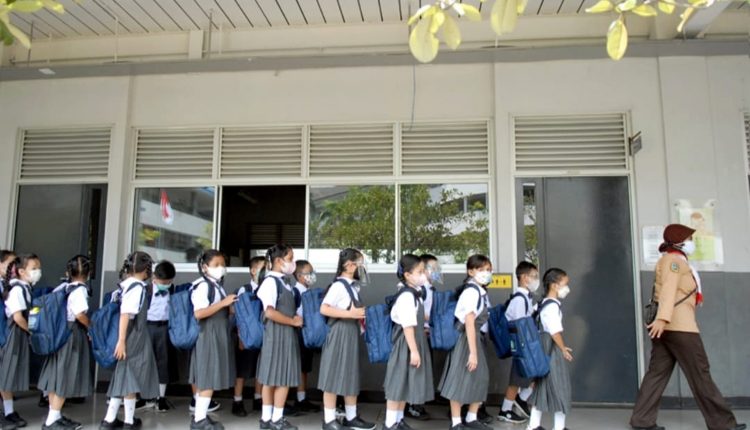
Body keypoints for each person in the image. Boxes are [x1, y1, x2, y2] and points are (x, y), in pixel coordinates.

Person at [630, 224, 747, 430]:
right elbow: (668, 290)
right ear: (679, 240)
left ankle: (642, 420)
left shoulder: (675, 260)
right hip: (679, 327)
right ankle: (722, 424)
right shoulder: (673, 262)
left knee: (657, 373)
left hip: (667, 328)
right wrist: (663, 319)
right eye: (690, 239)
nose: (692, 243)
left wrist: (662, 321)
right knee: (700, 374)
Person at [100, 252, 159, 430]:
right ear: (147, 268)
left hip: (129, 336)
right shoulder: (137, 288)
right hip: (134, 337)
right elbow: (126, 314)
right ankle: (129, 421)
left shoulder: (125, 286)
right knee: (132, 378)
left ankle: (109, 420)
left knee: (123, 376)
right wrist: (122, 340)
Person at [318, 249, 376, 430]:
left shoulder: (352, 286)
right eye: (360, 263)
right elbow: (324, 309)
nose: (362, 267)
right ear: (350, 265)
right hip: (339, 333)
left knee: (351, 374)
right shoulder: (338, 286)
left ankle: (351, 417)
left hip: (350, 334)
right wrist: (350, 314)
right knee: (333, 375)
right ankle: (329, 421)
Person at [438, 254, 493, 430]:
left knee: (480, 378)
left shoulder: (479, 291)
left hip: (473, 337)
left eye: (488, 270)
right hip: (466, 339)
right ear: (470, 271)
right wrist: (473, 352)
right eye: (481, 269)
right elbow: (469, 322)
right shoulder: (471, 292)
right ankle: (456, 422)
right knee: (459, 379)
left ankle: (471, 417)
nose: (486, 273)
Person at [38, 255, 93, 430]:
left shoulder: (64, 287)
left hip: (58, 334)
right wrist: (91, 327)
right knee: (65, 375)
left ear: (68, 272)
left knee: (57, 375)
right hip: (71, 334)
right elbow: (79, 314)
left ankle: (54, 415)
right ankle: (52, 420)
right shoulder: (80, 290)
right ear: (88, 273)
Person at [383, 254, 434, 430]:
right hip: (406, 345)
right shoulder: (406, 296)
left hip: (413, 343)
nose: (424, 274)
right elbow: (407, 326)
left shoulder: (414, 294)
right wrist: (414, 350)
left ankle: (398, 420)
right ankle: (390, 424)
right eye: (419, 271)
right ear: (407, 274)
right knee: (398, 383)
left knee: (405, 383)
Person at [256, 244, 303, 430]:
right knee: (280, 378)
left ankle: (268, 419)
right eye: (290, 259)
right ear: (278, 261)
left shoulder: (284, 282)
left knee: (273, 378)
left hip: (281, 334)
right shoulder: (271, 282)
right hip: (278, 333)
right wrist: (292, 322)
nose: (292, 263)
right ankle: (275, 419)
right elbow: (269, 312)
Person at [189, 250, 236, 430]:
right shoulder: (203, 286)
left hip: (216, 334)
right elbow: (199, 313)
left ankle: (200, 416)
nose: (221, 268)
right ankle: (199, 420)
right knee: (208, 377)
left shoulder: (216, 285)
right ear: (205, 267)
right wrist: (223, 304)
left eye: (223, 264)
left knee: (207, 377)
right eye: (216, 265)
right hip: (209, 335)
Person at [526, 268, 573, 430]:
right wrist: (563, 349)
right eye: (565, 284)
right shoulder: (552, 307)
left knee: (541, 388)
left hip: (541, 349)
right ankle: (559, 427)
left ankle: (533, 425)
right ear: (554, 285)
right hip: (551, 350)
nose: (567, 288)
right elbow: (554, 331)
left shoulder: (541, 304)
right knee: (561, 388)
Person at [0, 254, 41, 429]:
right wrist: (31, 331)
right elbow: (17, 317)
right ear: (21, 271)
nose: (37, 272)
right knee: (4, 376)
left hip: (17, 336)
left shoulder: (25, 288)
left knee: (7, 377)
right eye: (34, 268)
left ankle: (9, 412)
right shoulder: (17, 289)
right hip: (11, 336)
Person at [498, 261, 539, 424]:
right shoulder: (520, 299)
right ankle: (506, 410)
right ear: (523, 277)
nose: (536, 280)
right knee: (516, 379)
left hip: (523, 345)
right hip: (522, 345)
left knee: (527, 376)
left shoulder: (524, 298)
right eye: (534, 276)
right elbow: (521, 325)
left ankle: (520, 400)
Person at [404, 254, 442, 421]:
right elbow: (421, 314)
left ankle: (416, 404)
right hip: (420, 335)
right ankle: (412, 405)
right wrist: (433, 321)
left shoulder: (428, 288)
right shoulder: (422, 289)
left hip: (425, 334)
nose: (436, 271)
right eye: (432, 268)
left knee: (422, 371)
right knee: (415, 371)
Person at [232, 256, 267, 417]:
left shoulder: (268, 288)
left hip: (264, 335)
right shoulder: (244, 290)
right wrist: (241, 337)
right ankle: (237, 400)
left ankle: (258, 398)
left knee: (261, 368)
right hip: (247, 336)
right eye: (262, 268)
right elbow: (238, 314)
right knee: (243, 370)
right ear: (253, 271)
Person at [145, 260, 176, 412]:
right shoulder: (146, 290)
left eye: (169, 281)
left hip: (164, 328)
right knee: (145, 361)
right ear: (154, 277)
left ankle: (161, 397)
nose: (166, 284)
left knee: (163, 363)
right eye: (163, 281)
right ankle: (143, 396)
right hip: (147, 327)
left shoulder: (172, 289)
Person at [292, 260, 321, 413]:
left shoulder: (308, 292)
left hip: (308, 334)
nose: (312, 276)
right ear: (299, 275)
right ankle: (299, 398)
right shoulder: (295, 292)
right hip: (299, 334)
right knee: (299, 367)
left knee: (304, 368)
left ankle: (302, 397)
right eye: (308, 273)